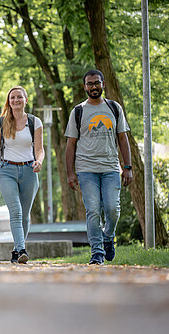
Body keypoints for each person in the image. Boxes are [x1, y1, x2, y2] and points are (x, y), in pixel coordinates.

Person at [65, 69, 132, 265]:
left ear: (103, 84)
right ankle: (96, 252)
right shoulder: (78, 111)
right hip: (86, 169)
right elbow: (70, 144)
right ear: (84, 87)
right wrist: (70, 173)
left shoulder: (114, 108)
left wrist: (127, 167)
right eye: (90, 83)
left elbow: (123, 138)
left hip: (111, 167)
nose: (93, 86)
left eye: (97, 83)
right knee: (93, 210)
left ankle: (108, 237)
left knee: (112, 209)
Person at [0, 86, 44, 264]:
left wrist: (39, 161)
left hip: (29, 170)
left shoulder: (35, 122)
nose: (16, 100)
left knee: (25, 215)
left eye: (19, 97)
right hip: (7, 170)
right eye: (12, 97)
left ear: (25, 100)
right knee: (16, 212)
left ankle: (16, 250)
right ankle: (21, 249)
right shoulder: (1, 122)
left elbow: (40, 149)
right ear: (8, 101)